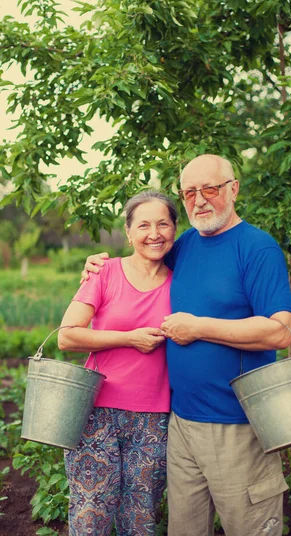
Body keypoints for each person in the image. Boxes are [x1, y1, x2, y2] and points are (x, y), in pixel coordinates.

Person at [82, 154, 291, 536]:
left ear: (233, 189)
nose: (200, 200)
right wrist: (98, 265)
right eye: (189, 192)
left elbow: (279, 332)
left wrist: (199, 328)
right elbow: (143, 259)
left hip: (237, 425)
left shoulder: (256, 248)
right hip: (181, 424)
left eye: (210, 189)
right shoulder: (184, 246)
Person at [58, 190, 177, 536]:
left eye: (163, 224)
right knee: (90, 512)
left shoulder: (181, 282)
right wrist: (130, 338)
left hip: (154, 416)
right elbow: (68, 336)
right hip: (97, 411)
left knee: (140, 516)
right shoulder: (105, 272)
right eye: (143, 225)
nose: (153, 233)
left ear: (174, 230)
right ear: (128, 232)